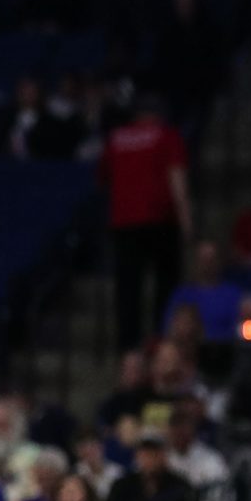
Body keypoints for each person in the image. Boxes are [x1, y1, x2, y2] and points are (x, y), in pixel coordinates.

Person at [102, 95, 192, 351]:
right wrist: (186, 221)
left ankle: (128, 349)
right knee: (166, 283)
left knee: (128, 288)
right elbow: (177, 178)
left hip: (124, 224)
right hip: (159, 220)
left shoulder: (116, 139)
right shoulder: (167, 135)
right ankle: (161, 341)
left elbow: (104, 178)